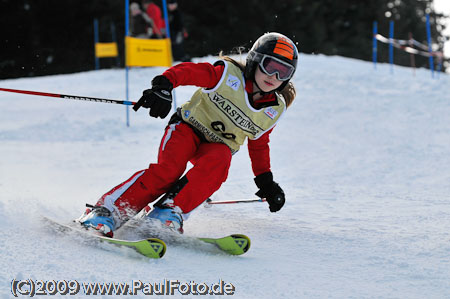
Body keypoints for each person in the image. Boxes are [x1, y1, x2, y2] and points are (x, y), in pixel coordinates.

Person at [77, 32, 298, 237]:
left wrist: (265, 181)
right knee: (168, 172)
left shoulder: (273, 110)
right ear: (255, 61)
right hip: (187, 128)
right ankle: (107, 211)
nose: (274, 76)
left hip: (217, 146)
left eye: (284, 72)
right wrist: (164, 86)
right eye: (270, 66)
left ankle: (169, 212)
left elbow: (259, 145)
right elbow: (190, 72)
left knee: (219, 163)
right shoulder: (227, 76)